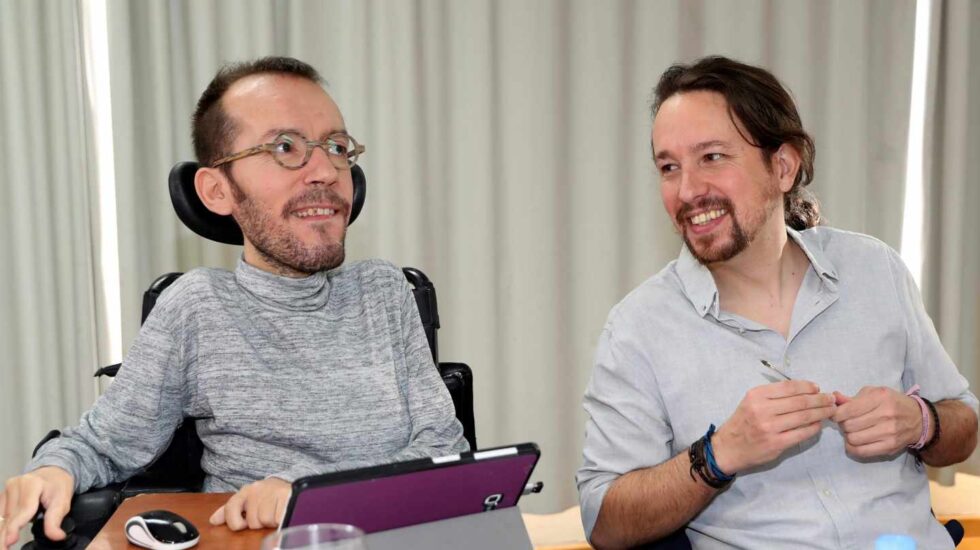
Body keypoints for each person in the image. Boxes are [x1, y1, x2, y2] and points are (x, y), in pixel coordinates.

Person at [0, 56, 467, 549]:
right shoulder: (197, 307)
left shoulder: (384, 291)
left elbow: (444, 451)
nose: (326, 171)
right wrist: (51, 471)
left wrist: (308, 496)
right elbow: (100, 445)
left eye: (336, 147)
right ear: (217, 190)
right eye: (285, 147)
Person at [577, 56, 979, 549]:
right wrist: (717, 455)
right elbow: (604, 522)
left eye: (712, 157)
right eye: (669, 167)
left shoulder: (874, 269)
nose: (687, 191)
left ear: (783, 166)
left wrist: (921, 422)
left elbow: (963, 424)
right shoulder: (638, 329)